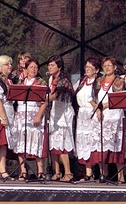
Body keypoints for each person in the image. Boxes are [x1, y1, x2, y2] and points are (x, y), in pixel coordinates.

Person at [91, 56, 125, 182]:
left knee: (115, 146)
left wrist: (104, 105)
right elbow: (92, 97)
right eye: (105, 66)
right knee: (100, 146)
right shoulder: (99, 80)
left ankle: (120, 175)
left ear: (115, 67)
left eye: (109, 65)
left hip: (114, 116)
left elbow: (119, 98)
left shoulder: (119, 81)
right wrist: (98, 108)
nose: (107, 68)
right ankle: (102, 174)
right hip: (100, 116)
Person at [13, 58, 48, 181]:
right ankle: (23, 170)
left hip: (35, 114)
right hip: (22, 115)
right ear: (26, 69)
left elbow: (45, 101)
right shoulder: (21, 84)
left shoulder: (40, 83)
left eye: (36, 67)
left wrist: (39, 115)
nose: (34, 69)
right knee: (21, 142)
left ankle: (40, 170)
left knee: (36, 141)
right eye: (31, 67)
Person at [46, 55, 75, 183]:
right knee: (54, 143)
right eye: (49, 65)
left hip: (64, 113)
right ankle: (57, 171)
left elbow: (56, 95)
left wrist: (44, 98)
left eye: (52, 65)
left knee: (62, 144)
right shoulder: (51, 78)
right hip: (54, 112)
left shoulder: (64, 79)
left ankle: (68, 172)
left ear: (59, 66)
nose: (50, 67)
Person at [74, 56, 102, 181]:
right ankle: (88, 173)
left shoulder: (99, 81)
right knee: (84, 142)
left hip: (94, 113)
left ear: (97, 70)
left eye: (91, 67)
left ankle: (102, 172)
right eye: (86, 67)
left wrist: (96, 107)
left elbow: (101, 98)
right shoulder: (82, 81)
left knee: (95, 141)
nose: (87, 69)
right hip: (82, 114)